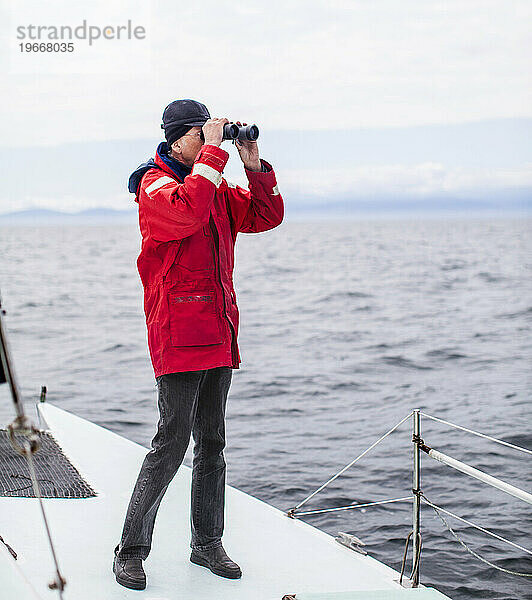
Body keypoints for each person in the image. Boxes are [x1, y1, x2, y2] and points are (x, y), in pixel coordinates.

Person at [112, 99, 284, 590]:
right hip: (178, 335)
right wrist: (213, 152)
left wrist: (252, 165)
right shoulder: (155, 184)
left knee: (212, 443)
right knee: (171, 444)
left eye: (212, 136)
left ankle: (207, 544)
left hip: (217, 332)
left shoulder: (212, 185)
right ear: (177, 137)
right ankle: (131, 551)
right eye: (201, 135)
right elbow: (184, 216)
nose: (211, 143)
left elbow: (265, 216)